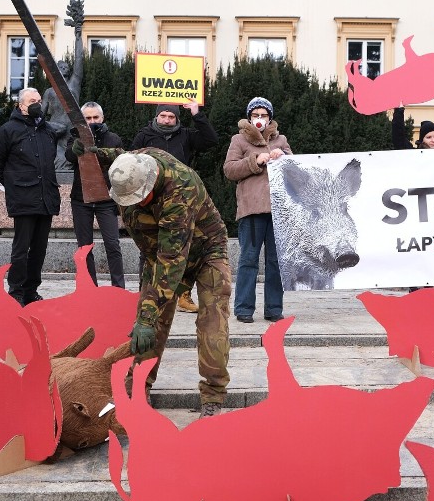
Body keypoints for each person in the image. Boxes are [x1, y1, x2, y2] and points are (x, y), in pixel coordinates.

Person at [94, 146, 231, 418]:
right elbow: (121, 154)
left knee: (211, 320)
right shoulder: (139, 161)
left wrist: (146, 316)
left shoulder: (179, 192)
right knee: (151, 324)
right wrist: (94, 152)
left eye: (139, 197)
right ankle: (137, 389)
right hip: (161, 254)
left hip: (205, 252)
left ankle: (213, 397)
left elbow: (172, 261)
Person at [132, 101, 219, 314]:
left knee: (185, 245)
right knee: (150, 246)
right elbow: (132, 163)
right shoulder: (144, 136)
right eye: (163, 116)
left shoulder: (187, 135)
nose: (167, 120)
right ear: (156, 117)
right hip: (151, 200)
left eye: (171, 117)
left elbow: (211, 140)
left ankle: (183, 294)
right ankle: (145, 292)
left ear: (177, 119)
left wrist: (197, 114)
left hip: (181, 200)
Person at [223, 97, 290, 323]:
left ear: (270, 117)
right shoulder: (239, 140)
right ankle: (243, 309)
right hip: (251, 210)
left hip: (278, 211)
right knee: (248, 260)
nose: (259, 119)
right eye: (255, 115)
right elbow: (230, 169)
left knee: (275, 262)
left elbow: (295, 170)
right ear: (249, 117)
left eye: (263, 115)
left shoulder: (281, 139)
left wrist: (285, 158)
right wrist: (255, 160)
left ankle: (273, 309)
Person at [0, 88, 60, 306]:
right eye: (32, 101)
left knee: (39, 249)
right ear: (21, 105)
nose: (37, 104)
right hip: (23, 197)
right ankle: (16, 291)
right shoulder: (7, 130)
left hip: (46, 197)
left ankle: (31, 290)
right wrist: (11, 186)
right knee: (21, 249)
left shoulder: (47, 130)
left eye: (39, 101)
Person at [66, 101, 125, 288]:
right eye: (88, 118)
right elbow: (68, 155)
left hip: (106, 200)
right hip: (80, 199)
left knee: (113, 245)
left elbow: (121, 160)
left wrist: (102, 153)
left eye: (95, 117)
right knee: (84, 247)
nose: (92, 121)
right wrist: (75, 149)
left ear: (102, 118)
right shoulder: (75, 137)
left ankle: (118, 289)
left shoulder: (113, 138)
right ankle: (89, 288)